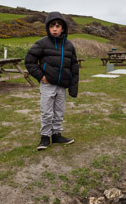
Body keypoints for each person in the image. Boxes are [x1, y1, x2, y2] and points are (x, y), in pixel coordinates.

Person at [25, 12, 79, 151]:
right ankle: (45, 137)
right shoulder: (42, 43)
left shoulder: (69, 45)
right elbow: (29, 61)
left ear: (63, 28)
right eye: (52, 26)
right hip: (48, 84)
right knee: (47, 112)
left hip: (62, 86)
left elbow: (74, 66)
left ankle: (56, 135)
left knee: (59, 112)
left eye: (58, 26)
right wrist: (41, 76)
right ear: (48, 28)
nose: (55, 29)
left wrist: (73, 86)